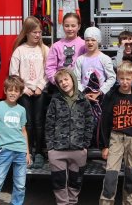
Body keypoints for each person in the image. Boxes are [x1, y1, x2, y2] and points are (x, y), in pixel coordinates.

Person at [98, 61, 132, 205]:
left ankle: (130, 203)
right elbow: (105, 121)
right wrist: (104, 145)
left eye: (128, 78)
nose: (124, 82)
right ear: (117, 78)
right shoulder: (111, 96)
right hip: (115, 137)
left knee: (131, 176)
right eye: (121, 78)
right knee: (110, 176)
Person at [45, 68, 95, 205]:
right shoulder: (55, 101)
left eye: (66, 79)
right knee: (59, 183)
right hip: (57, 150)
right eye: (60, 81)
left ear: (72, 79)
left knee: (75, 182)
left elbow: (90, 122)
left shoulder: (83, 100)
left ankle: (72, 202)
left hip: (78, 149)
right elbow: (49, 124)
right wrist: (50, 147)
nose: (64, 83)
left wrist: (85, 145)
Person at [9, 16, 49, 169]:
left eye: (39, 32)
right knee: (27, 123)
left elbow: (48, 71)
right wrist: (24, 89)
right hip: (24, 92)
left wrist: (40, 86)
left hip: (40, 92)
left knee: (39, 122)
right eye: (34, 32)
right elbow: (14, 73)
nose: (37, 35)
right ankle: (28, 151)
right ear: (26, 33)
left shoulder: (45, 49)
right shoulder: (20, 50)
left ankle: (39, 152)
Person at [0, 76, 31, 205]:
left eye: (16, 91)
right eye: (10, 90)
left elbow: (23, 131)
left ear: (21, 93)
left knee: (20, 185)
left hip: (20, 151)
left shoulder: (22, 110)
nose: (13, 93)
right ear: (5, 90)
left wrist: (27, 152)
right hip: (4, 150)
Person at [74, 27, 117, 146]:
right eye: (87, 40)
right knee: (85, 121)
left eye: (93, 40)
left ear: (98, 41)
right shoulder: (80, 60)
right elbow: (77, 79)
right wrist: (84, 93)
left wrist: (100, 92)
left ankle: (102, 145)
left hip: (101, 98)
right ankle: (87, 145)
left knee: (101, 122)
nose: (90, 43)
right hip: (85, 97)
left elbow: (112, 78)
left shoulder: (104, 58)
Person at [45, 12, 87, 87]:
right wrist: (58, 82)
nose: (70, 29)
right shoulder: (56, 46)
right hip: (62, 86)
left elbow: (89, 65)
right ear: (63, 26)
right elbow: (50, 67)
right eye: (67, 26)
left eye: (73, 26)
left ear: (79, 26)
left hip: (80, 85)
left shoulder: (84, 45)